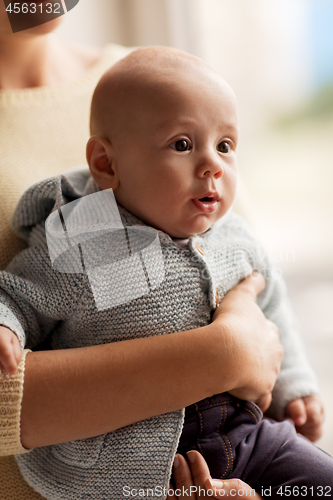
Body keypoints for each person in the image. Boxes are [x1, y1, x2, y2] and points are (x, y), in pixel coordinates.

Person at [0, 47, 330, 500]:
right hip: (135, 461)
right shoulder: (83, 233)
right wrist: (6, 323)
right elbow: (18, 293)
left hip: (244, 435)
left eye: (226, 145)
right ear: (106, 164)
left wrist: (296, 385)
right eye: (182, 144)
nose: (213, 164)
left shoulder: (232, 233)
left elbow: (270, 307)